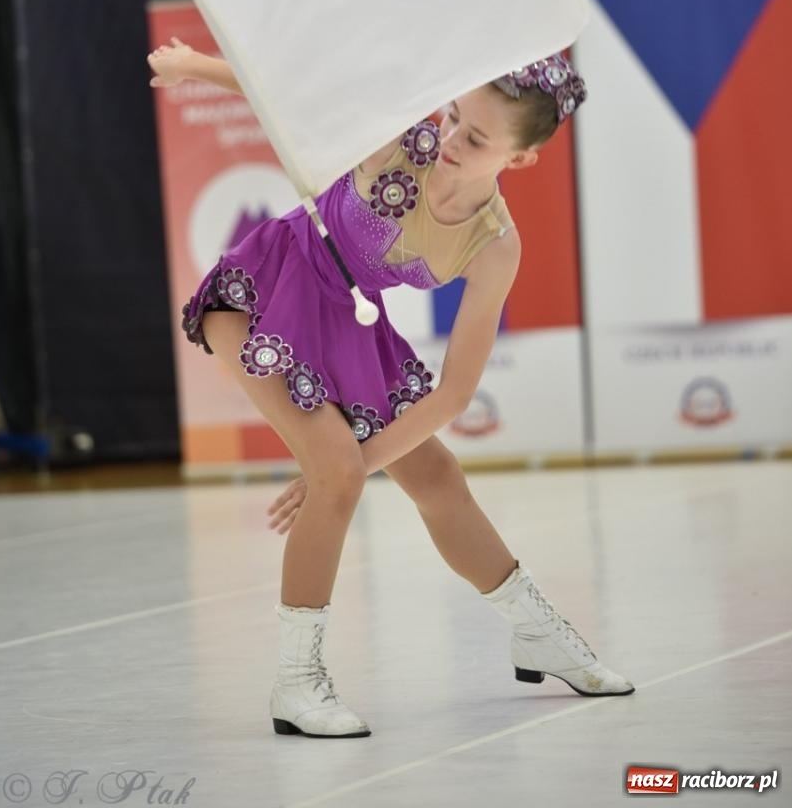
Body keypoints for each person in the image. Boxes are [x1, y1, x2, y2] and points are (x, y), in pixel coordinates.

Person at [147, 38, 634, 739]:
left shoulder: (494, 245)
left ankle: (536, 634)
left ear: (521, 158)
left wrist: (351, 463)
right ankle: (296, 683)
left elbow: (454, 395)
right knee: (339, 476)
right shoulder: (401, 143)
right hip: (266, 292)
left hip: (350, 325)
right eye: (454, 116)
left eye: (476, 138)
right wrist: (193, 67)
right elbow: (289, 100)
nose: (450, 139)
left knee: (436, 477)